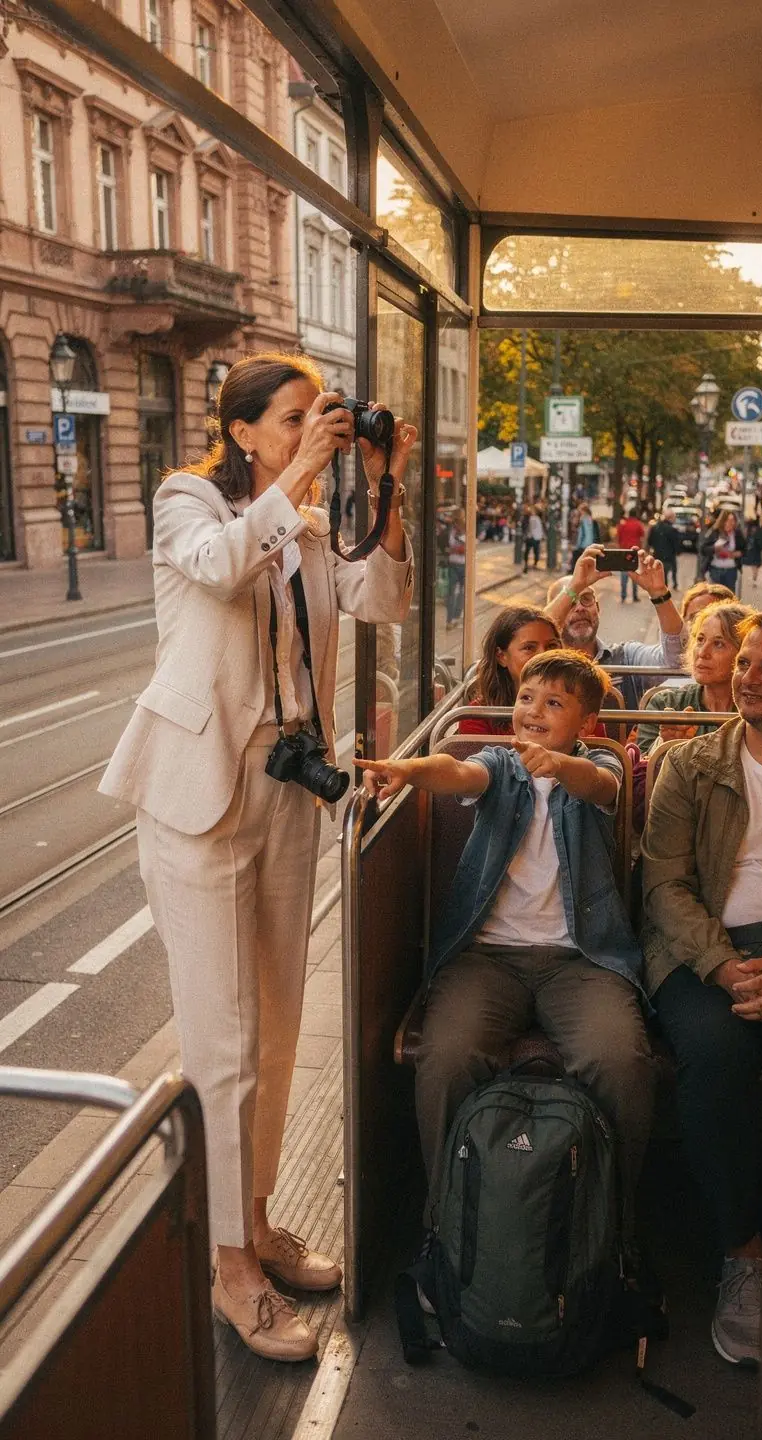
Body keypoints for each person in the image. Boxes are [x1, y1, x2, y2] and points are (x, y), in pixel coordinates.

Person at [100, 353, 416, 1362]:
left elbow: (383, 602)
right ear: (243, 432)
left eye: (317, 417)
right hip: (199, 795)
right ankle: (228, 1264)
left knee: (278, 1023)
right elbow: (217, 567)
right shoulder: (188, 500)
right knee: (223, 1038)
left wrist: (380, 481)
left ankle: (261, 1215)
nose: (308, 431)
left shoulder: (316, 519)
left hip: (286, 790)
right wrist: (296, 483)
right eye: (292, 419)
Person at [360, 649, 655, 1254]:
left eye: (554, 704)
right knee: (446, 1058)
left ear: (586, 723)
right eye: (526, 699)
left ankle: (609, 1229)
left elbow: (599, 784)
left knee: (620, 1061)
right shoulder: (500, 763)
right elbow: (458, 772)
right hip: (487, 958)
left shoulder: (600, 761)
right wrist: (412, 770)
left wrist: (561, 765)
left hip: (580, 960)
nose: (533, 712)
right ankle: (445, 1223)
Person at [641, 609, 762, 1367]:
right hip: (705, 952)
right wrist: (725, 966)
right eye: (745, 661)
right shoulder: (692, 765)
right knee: (712, 1055)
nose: (747, 676)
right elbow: (665, 885)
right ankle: (743, 1255)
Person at [544, 543, 685, 710]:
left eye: (587, 598)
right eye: (570, 601)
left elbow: (677, 660)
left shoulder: (627, 658)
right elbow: (535, 631)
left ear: (597, 608)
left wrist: (659, 594)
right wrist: (574, 585)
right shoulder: (541, 663)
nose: (580, 608)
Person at [636, 601, 753, 756]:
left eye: (718, 644)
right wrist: (664, 745)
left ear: (743, 655)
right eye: (700, 640)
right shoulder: (666, 704)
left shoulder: (756, 712)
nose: (702, 652)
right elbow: (640, 773)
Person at [458, 604, 562, 735]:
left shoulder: (578, 707)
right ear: (501, 656)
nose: (544, 655)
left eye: (551, 646)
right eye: (529, 648)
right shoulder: (477, 716)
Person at [700, 510, 745, 593]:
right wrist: (715, 548)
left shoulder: (737, 534)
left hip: (731, 570)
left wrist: (738, 553)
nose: (731, 523)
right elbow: (703, 549)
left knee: (729, 595)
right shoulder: (715, 532)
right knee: (715, 596)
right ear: (723, 521)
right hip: (715, 570)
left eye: (733, 520)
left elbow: (744, 549)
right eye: (728, 520)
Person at [617, 507, 647, 602]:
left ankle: (623, 595)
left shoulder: (623, 524)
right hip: (634, 552)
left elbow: (618, 536)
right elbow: (642, 536)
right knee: (634, 573)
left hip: (623, 552)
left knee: (624, 574)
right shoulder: (638, 524)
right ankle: (634, 596)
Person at [648, 508, 681, 591]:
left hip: (658, 555)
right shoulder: (672, 530)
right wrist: (678, 551)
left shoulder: (655, 527)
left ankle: (665, 587)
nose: (675, 519)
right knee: (671, 570)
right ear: (670, 518)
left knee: (662, 574)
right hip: (669, 556)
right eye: (674, 517)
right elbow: (676, 544)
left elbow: (650, 541)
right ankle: (673, 585)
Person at [445, 508, 466, 627]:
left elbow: (464, 549)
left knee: (458, 592)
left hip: (460, 564)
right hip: (455, 563)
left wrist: (453, 550)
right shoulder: (451, 530)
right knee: (454, 593)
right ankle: (452, 619)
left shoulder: (464, 530)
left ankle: (454, 618)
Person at [571, 501, 595, 566]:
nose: (580, 513)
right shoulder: (590, 519)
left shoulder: (583, 519)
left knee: (579, 562)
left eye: (580, 511)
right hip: (590, 543)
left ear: (584, 511)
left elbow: (582, 534)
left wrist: (578, 545)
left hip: (583, 544)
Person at [523, 506, 544, 571]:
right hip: (536, 537)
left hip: (532, 537)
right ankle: (534, 564)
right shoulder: (538, 518)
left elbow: (532, 528)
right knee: (536, 551)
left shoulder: (533, 518)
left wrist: (529, 535)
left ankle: (527, 564)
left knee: (528, 551)